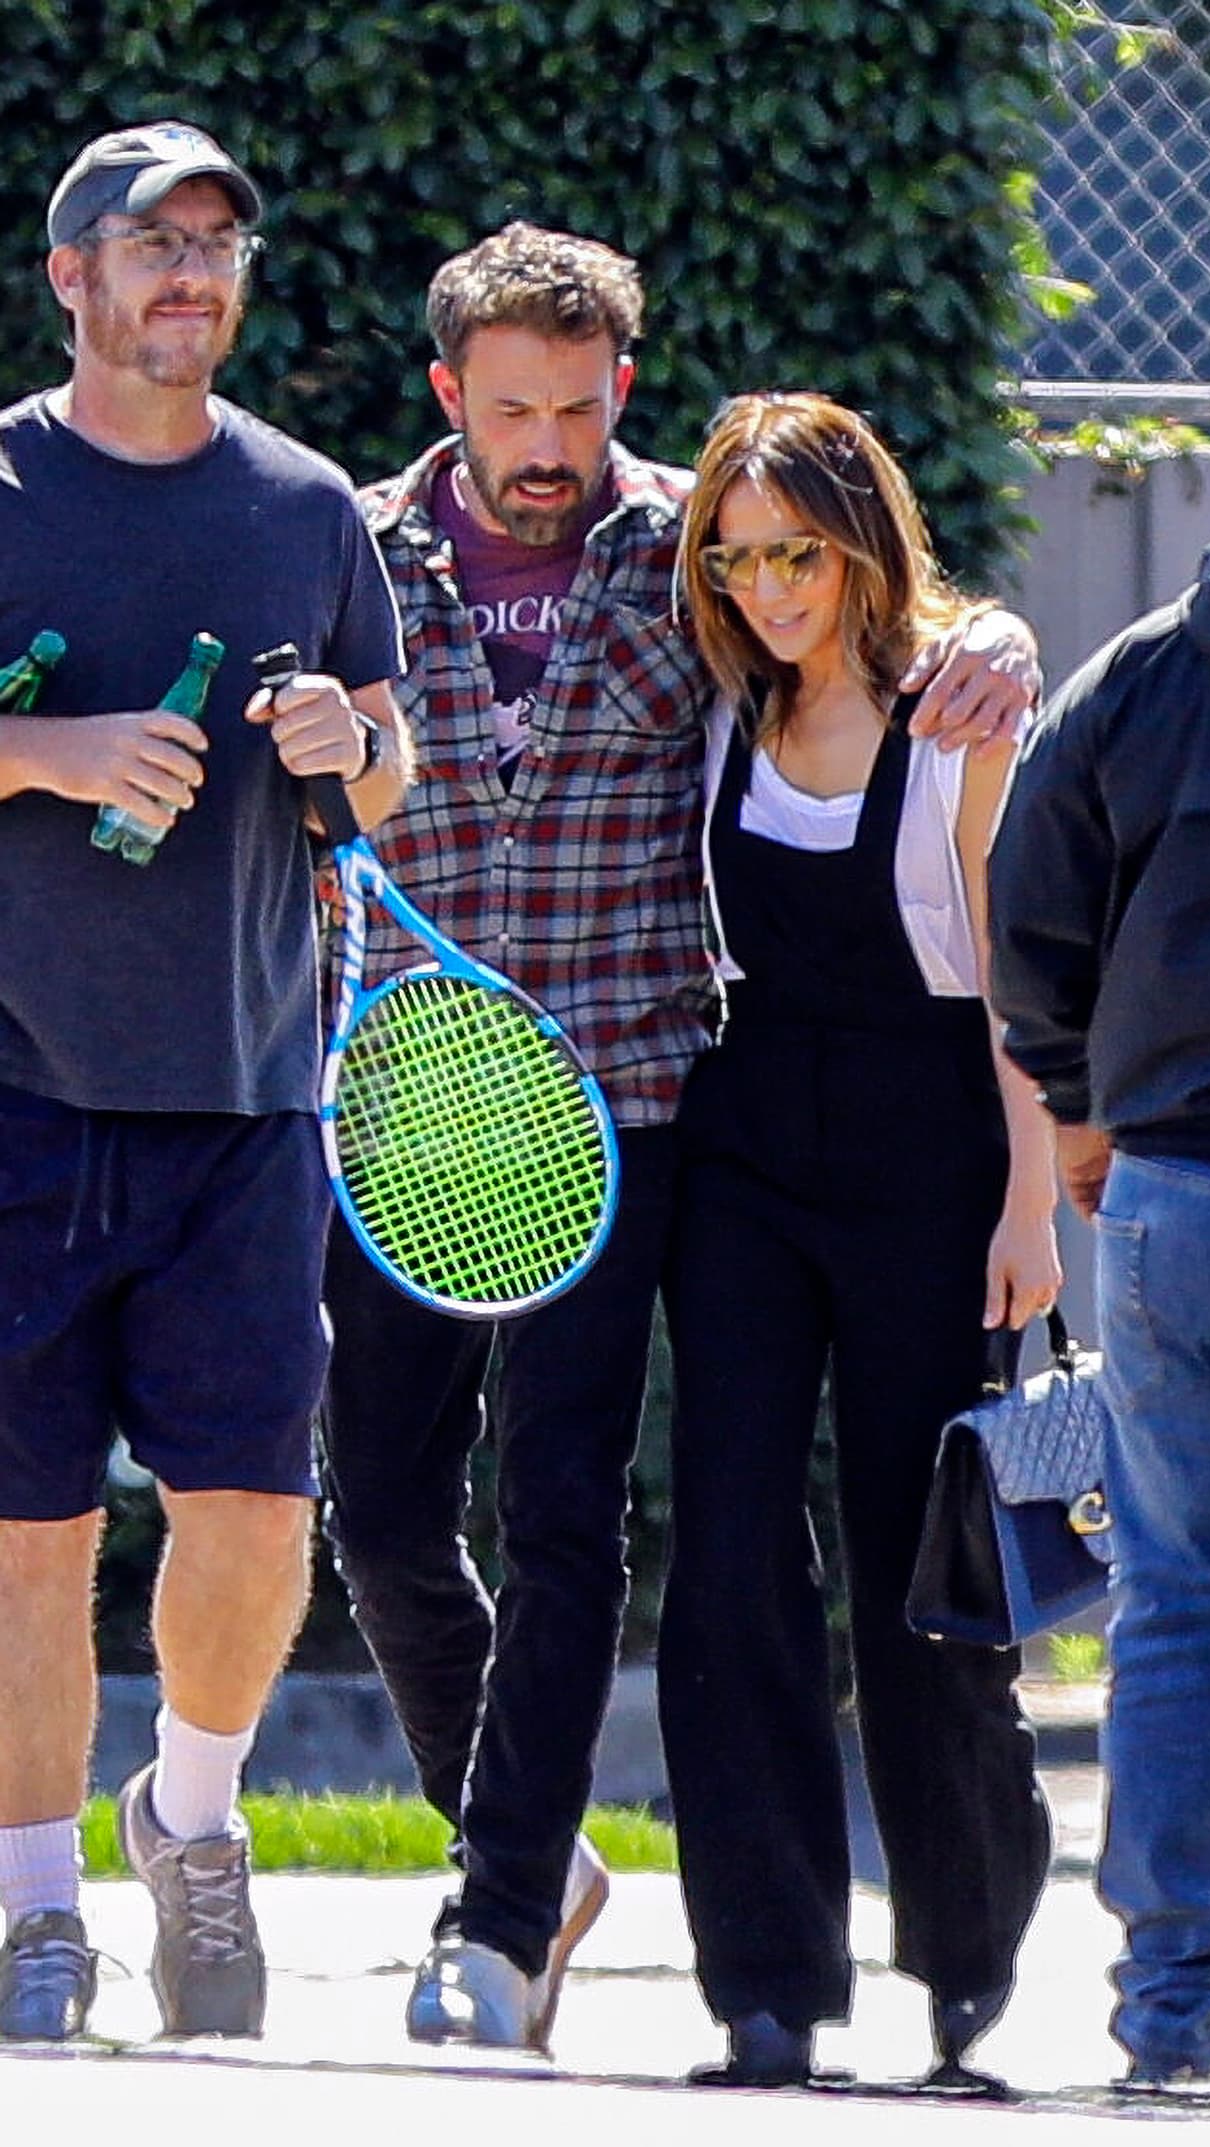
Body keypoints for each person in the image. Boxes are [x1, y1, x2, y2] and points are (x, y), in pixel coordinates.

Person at [318, 219, 1043, 2055]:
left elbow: (883, 638)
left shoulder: (689, 562)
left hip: (700, 1116)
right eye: (510, 410)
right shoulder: (357, 552)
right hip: (497, 1117)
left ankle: (894, 1962)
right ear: (448, 399)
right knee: (504, 1534)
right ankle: (657, 1928)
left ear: (618, 391)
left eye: (576, 404)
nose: (544, 442)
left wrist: (1005, 638)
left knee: (732, 1540)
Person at [0, 120, 409, 2045]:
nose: (190, 270)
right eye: (149, 240)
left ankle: (192, 1823)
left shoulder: (306, 506)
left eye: (217, 242)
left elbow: (380, 782)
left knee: (254, 1516)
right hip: (16, 1091)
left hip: (251, 1090)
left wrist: (355, 733)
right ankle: (29, 1912)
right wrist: (54, 753)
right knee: (31, 1533)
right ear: (69, 276)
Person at [658, 391, 1060, 2089]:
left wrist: (1032, 1207)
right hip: (744, 1166)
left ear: (863, 540)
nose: (765, 589)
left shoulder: (962, 717)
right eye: (736, 559)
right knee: (733, 1552)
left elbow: (1017, 984)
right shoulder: (714, 702)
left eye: (796, 554)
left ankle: (967, 1955)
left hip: (933, 1168)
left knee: (930, 1565)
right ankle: (765, 1984)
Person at [988, 517, 1210, 2095]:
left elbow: (1026, 893)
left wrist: (1085, 1099)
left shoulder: (1151, 666)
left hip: (1169, 1193)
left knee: (1192, 1607)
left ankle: (1176, 2020)